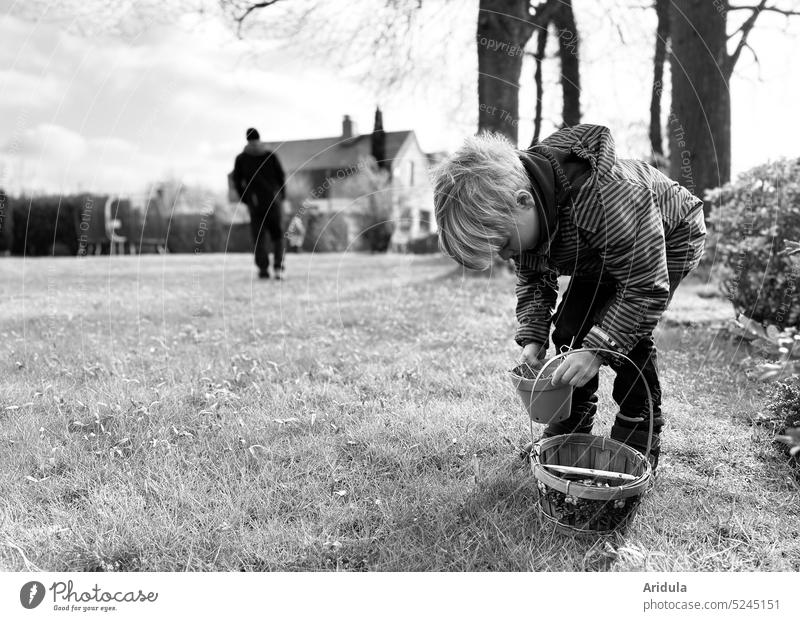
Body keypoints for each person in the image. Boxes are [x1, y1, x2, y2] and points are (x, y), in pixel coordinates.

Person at [432, 124, 706, 472]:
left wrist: (598, 349)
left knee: (628, 337)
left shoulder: (606, 198)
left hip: (670, 234)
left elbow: (644, 287)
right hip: (597, 248)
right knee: (569, 331)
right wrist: (533, 336)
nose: (504, 256)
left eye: (503, 245)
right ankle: (572, 422)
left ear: (523, 201)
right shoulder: (527, 217)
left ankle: (638, 431)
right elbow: (533, 278)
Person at [233, 127, 286, 280]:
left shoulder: (242, 158)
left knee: (259, 238)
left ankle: (264, 269)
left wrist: (247, 198)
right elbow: (281, 178)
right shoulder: (270, 156)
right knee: (277, 236)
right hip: (272, 202)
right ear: (259, 138)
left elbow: (237, 182)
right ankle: (278, 267)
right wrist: (281, 196)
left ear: (247, 140)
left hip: (255, 203)